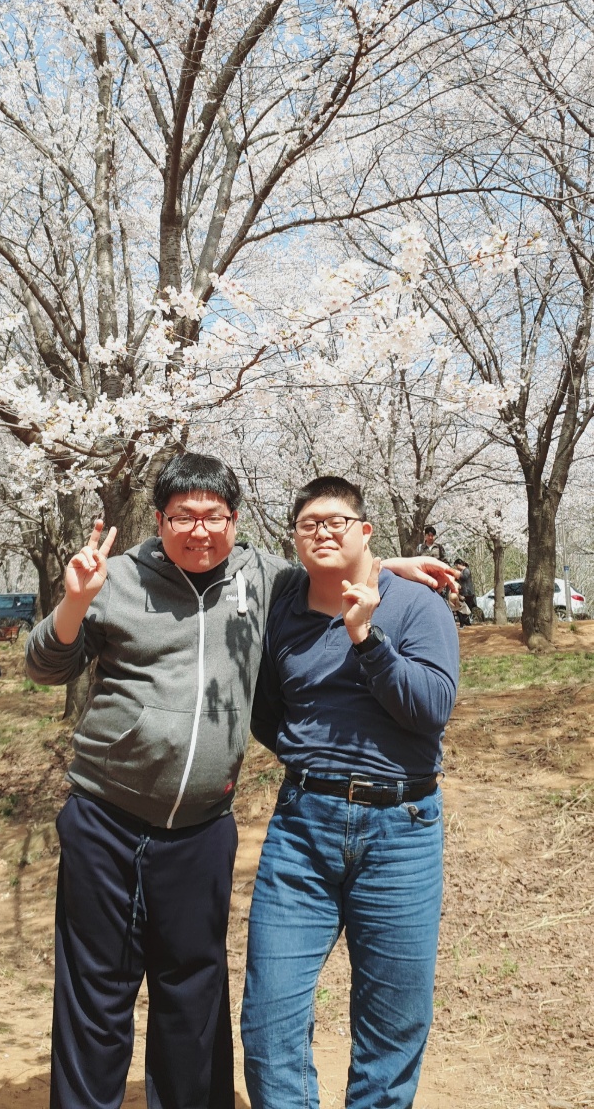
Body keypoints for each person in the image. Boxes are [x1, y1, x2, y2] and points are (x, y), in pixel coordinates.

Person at [25, 452, 456, 1109]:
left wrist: (387, 571)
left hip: (207, 829)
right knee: (100, 991)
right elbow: (44, 667)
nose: (199, 531)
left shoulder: (261, 577)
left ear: (235, 520)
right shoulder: (116, 576)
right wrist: (74, 602)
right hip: (108, 815)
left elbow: (334, 570)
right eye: (183, 517)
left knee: (194, 993)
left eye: (214, 517)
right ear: (160, 520)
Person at [241, 475, 459, 1109]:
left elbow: (431, 709)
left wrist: (368, 640)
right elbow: (267, 713)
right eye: (309, 525)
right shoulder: (283, 606)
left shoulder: (416, 606)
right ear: (295, 539)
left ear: (365, 531)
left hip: (401, 829)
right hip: (302, 827)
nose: (323, 533)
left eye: (337, 522)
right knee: (269, 1017)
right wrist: (314, 761)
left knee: (392, 1023)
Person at [453, 557, 477, 627]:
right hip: (463, 592)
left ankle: (465, 622)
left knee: (467, 609)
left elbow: (464, 577)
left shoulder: (466, 570)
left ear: (459, 564)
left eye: (456, 566)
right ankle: (464, 622)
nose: (456, 567)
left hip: (468, 593)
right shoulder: (461, 572)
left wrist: (457, 574)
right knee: (461, 608)